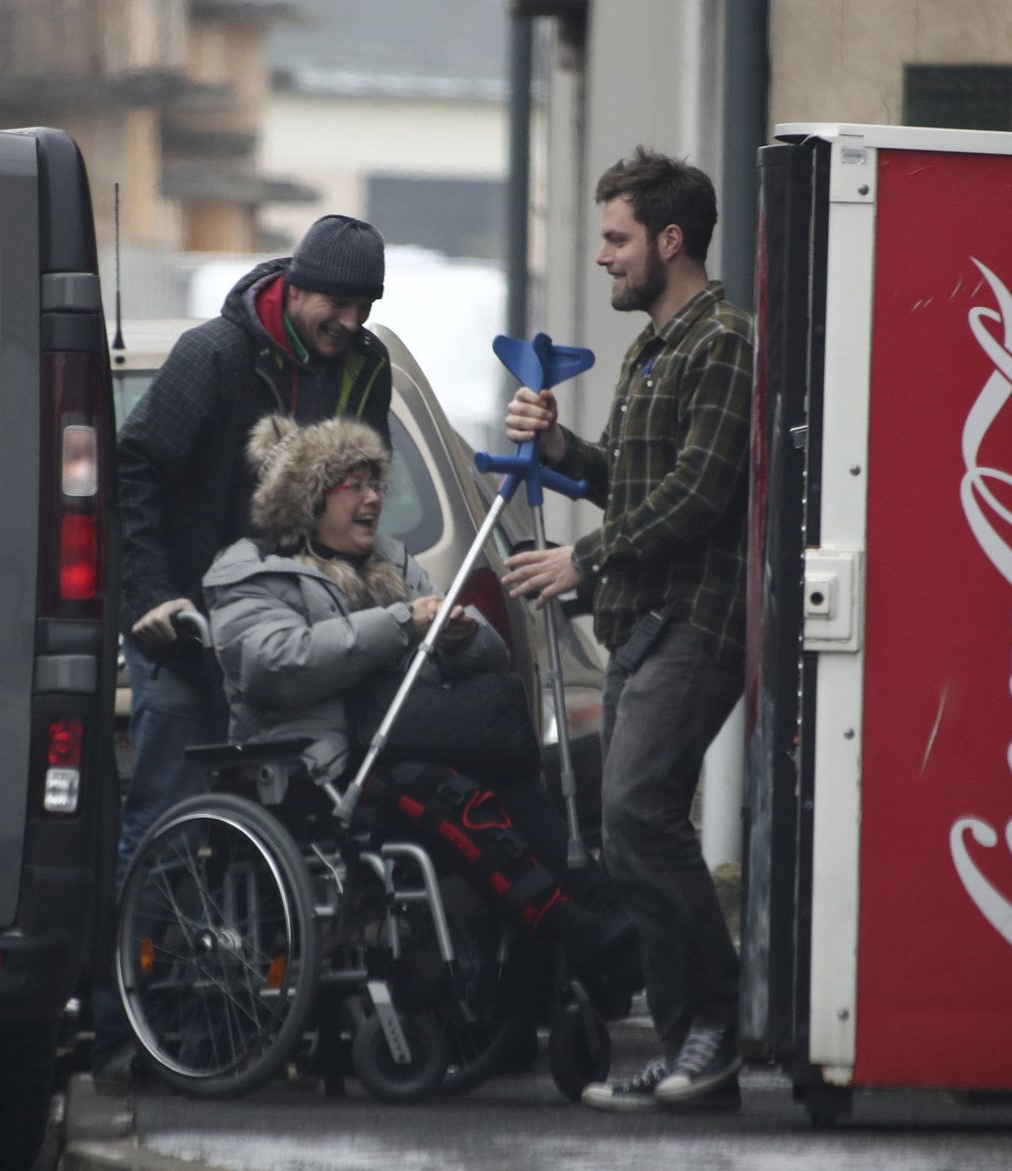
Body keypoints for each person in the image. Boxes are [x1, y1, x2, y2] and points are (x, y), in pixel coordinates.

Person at [95, 215, 392, 1077]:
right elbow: (136, 467)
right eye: (338, 302)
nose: (350, 321)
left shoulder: (364, 366)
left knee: (290, 829)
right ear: (295, 288)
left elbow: (359, 486)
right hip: (188, 628)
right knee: (166, 819)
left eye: (365, 305)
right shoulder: (216, 358)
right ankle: (125, 1033)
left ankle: (252, 1022)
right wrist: (151, 597)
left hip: (286, 628)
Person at [201, 414, 634, 976]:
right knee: (446, 793)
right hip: (320, 767)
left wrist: (461, 637)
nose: (372, 498)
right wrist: (401, 621)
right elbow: (279, 663)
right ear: (305, 498)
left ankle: (604, 917)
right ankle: (567, 927)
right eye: (351, 485)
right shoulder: (252, 573)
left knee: (515, 784)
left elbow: (491, 650)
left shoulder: (394, 561)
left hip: (401, 743)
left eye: (375, 483)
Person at [501, 147, 753, 1112]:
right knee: (633, 827)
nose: (603, 256)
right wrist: (564, 449)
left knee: (637, 816)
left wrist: (585, 558)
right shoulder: (655, 346)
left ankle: (715, 1027)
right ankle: (695, 1047)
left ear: (670, 240)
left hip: (697, 620)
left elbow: (700, 494)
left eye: (617, 238)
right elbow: (642, 483)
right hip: (648, 624)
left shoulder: (721, 340)